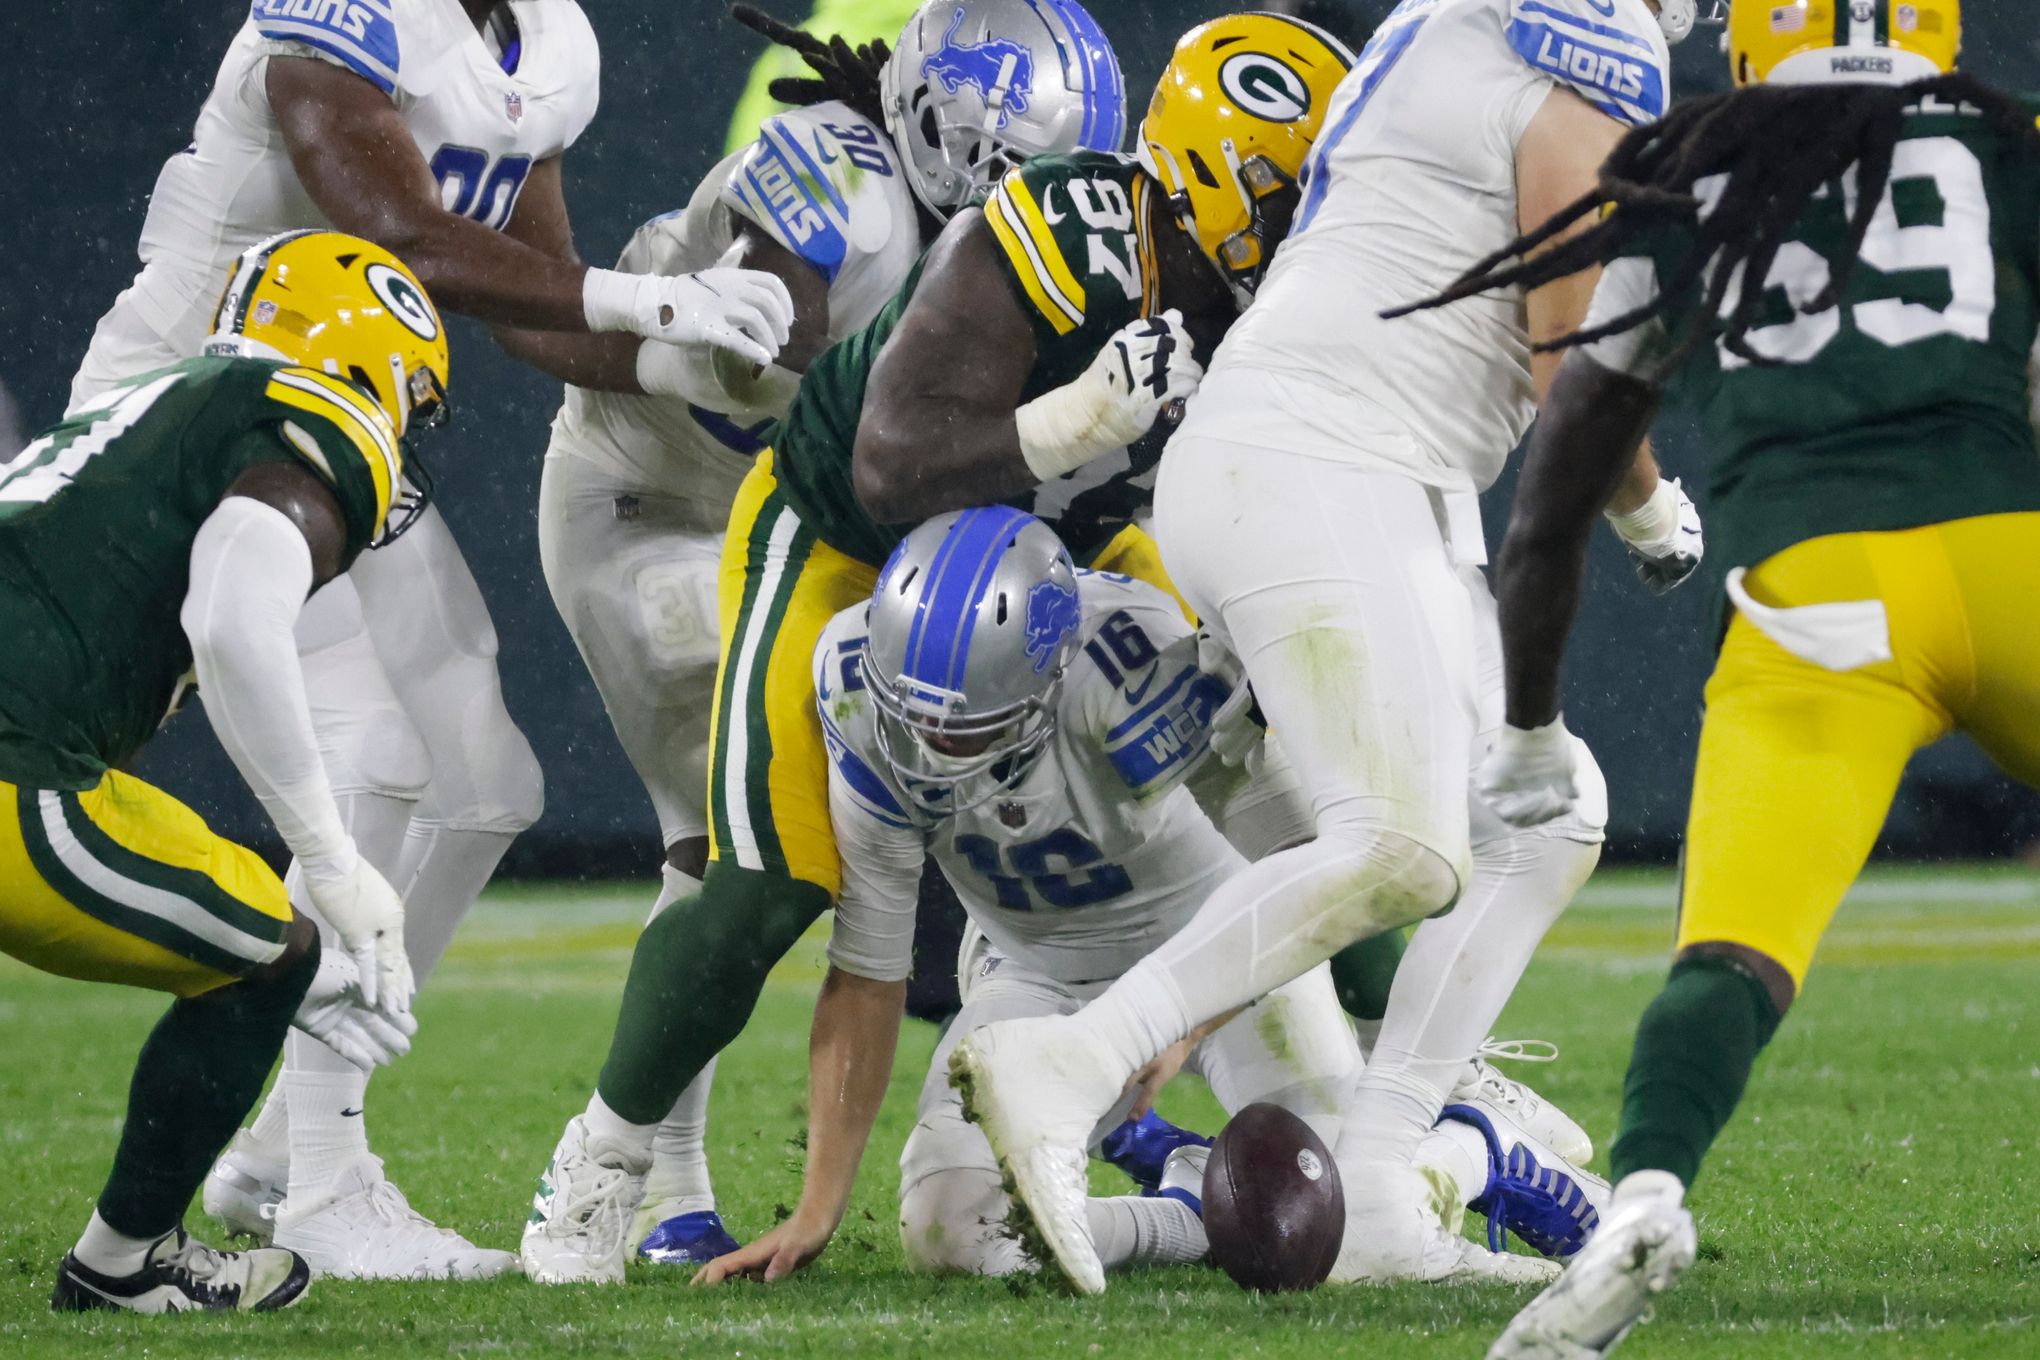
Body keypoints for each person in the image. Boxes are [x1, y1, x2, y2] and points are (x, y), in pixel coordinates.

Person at [516, 9, 1352, 1286]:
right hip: (847, 528)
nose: (1312, 225)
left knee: (1305, 786)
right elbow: (889, 461)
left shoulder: (1232, 292)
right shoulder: (986, 222)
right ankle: (603, 1164)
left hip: (1050, 525)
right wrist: (1067, 423)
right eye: (1290, 193)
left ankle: (1429, 1102)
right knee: (768, 872)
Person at [947, 0, 1711, 1294]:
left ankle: (1381, 1184)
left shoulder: (1456, 23)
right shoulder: (1586, 35)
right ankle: (1074, 1060)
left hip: (1348, 463)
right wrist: (1643, 501)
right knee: (1402, 844)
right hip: (1326, 462)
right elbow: (1568, 324)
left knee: (1549, 813)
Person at [67, 0, 793, 1279]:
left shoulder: (554, 43)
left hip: (333, 429)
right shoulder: (347, 13)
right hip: (192, 415)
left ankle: (277, 1158)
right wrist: (657, 296)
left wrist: (705, 362)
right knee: (383, 754)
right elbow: (397, 229)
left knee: (485, 779)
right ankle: (326, 1176)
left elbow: (536, 313)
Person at [1405, 5, 2033, 1354]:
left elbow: (1554, 499)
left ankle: (1642, 1199)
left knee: (1733, 950)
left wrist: (1524, 727)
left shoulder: (1694, 177)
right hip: (2012, 559)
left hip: (1818, 607)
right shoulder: (2009, 147)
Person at [536, 0, 1098, 1268]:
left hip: (800, 505)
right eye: (1024, 179)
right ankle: (631, 1169)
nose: (1041, 209)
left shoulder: (954, 207)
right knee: (733, 837)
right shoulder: (841, 182)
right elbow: (777, 323)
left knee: (827, 831)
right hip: (649, 496)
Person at [693, 508, 1608, 1284]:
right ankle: (1186, 1207)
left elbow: (1300, 850)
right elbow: (869, 966)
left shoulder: (1129, 667)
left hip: (1222, 955)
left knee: (1342, 1235)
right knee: (949, 1230)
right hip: (1034, 969)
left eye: (964, 729)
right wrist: (818, 1208)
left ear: (1048, 677)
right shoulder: (855, 686)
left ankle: (1476, 1146)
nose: (930, 748)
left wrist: (1171, 1021)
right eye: (917, 717)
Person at [3, 230, 440, 1314]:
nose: (405, 431)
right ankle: (126, 1262)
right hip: (13, 767)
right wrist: (331, 864)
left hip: (31, 738)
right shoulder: (313, 415)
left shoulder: (167, 401)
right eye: (412, 399)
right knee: (271, 950)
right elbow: (235, 619)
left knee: (249, 922)